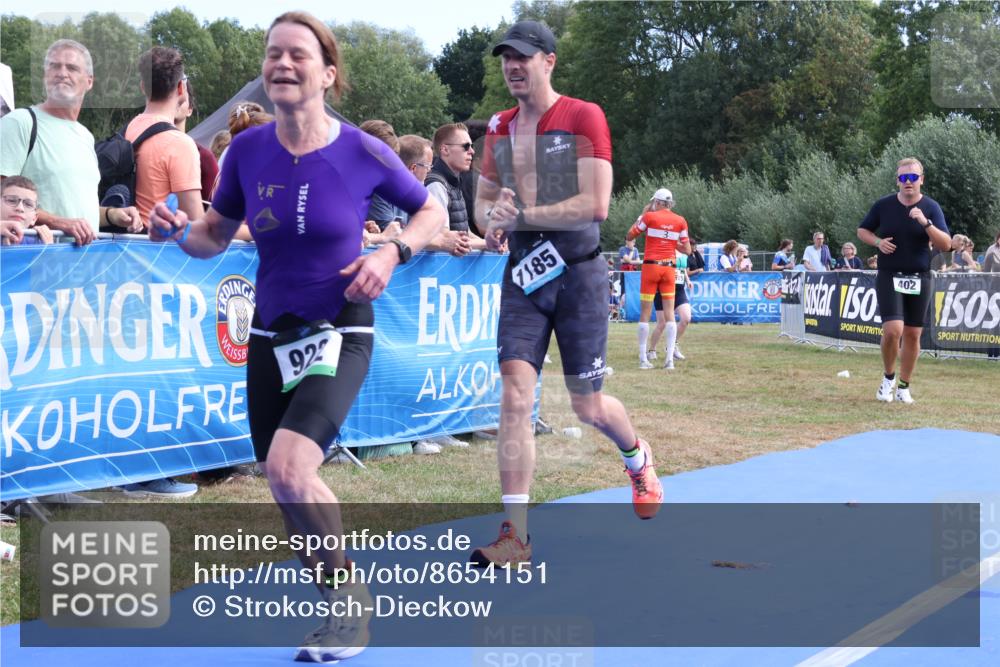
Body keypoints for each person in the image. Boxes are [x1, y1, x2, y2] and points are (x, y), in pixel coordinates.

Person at [147, 12, 446, 661]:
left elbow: (432, 208)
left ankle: (350, 603)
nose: (281, 63)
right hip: (268, 333)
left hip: (340, 326)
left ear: (327, 74)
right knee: (284, 489)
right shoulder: (247, 153)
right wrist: (173, 227)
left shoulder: (361, 150)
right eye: (272, 53)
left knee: (290, 465)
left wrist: (392, 252)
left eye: (298, 55)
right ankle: (337, 607)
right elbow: (212, 237)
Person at [473, 20, 663, 568]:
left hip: (578, 275)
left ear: (549, 61)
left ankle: (636, 455)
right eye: (506, 58)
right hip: (523, 279)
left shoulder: (583, 115)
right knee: (514, 393)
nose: (513, 66)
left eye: (523, 57)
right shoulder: (500, 127)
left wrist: (525, 213)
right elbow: (485, 203)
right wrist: (492, 222)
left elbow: (596, 205)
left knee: (587, 406)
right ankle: (516, 535)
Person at [0, 39, 142, 242]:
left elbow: (78, 214)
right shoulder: (19, 123)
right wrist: (60, 223)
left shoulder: (85, 135)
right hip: (34, 263)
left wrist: (112, 215)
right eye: (54, 66)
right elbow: (3, 204)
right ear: (44, 76)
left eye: (72, 68)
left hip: (80, 265)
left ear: (89, 81)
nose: (62, 73)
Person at [858, 157, 950, 404]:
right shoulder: (884, 206)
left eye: (913, 177)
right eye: (903, 177)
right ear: (897, 180)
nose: (908, 182)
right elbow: (862, 230)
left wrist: (925, 223)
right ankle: (888, 378)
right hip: (890, 274)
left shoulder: (931, 207)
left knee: (911, 335)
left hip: (920, 277)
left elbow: (946, 244)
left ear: (921, 179)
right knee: (892, 330)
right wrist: (878, 242)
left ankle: (904, 386)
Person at [126, 46, 203, 226]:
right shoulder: (180, 144)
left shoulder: (129, 129)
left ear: (143, 87)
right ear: (180, 88)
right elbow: (197, 224)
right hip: (161, 248)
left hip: (127, 244)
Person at [629, 188, 690, 369]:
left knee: (645, 314)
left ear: (656, 202)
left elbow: (630, 235)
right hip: (669, 269)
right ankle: (669, 360)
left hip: (651, 267)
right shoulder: (680, 220)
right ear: (670, 203)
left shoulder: (649, 217)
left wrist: (642, 216)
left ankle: (643, 359)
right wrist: (671, 242)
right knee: (670, 315)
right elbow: (687, 250)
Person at [426, 122, 487, 251]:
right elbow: (442, 237)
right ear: (445, 150)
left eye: (472, 146)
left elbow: (464, 231)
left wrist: (487, 242)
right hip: (438, 269)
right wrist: (486, 244)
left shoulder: (454, 181)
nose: (472, 151)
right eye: (465, 146)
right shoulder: (436, 185)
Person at [173, 78, 219, 207]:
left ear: (190, 109)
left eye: (181, 95)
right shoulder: (145, 146)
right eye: (172, 94)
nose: (176, 100)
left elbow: (211, 208)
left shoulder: (203, 157)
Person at [648, 250, 692, 362]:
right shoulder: (663, 250)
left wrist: (688, 280)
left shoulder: (683, 254)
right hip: (663, 290)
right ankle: (651, 350)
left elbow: (682, 269)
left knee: (686, 318)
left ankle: (671, 346)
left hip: (679, 291)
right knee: (662, 323)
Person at [1, 175, 53, 244]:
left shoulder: (38, 243)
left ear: (34, 218)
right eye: (11, 200)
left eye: (28, 204)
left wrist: (49, 249)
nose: (20, 208)